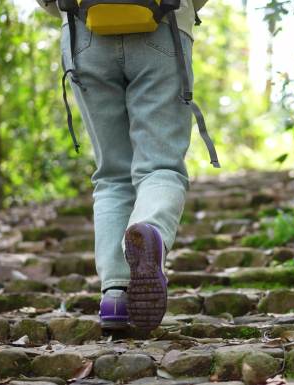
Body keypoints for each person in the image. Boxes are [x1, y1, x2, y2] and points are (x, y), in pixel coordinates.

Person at [36, 0, 210, 331]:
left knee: (112, 175)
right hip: (165, 26)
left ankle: (114, 293)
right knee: (161, 167)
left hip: (83, 32)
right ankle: (151, 232)